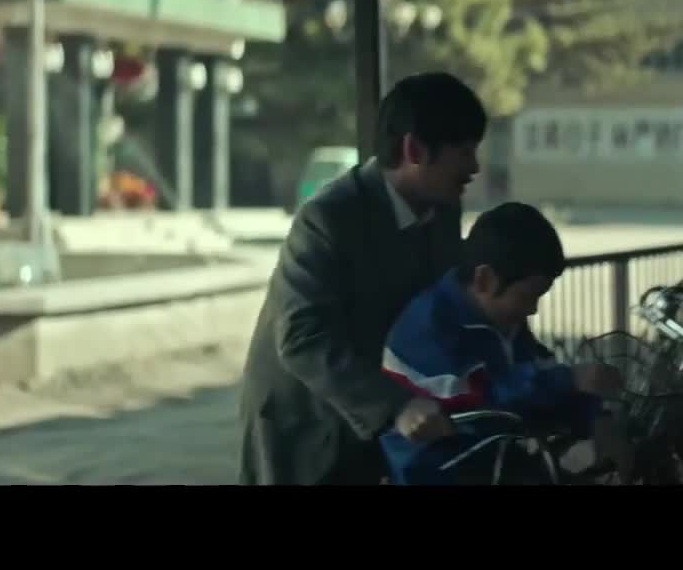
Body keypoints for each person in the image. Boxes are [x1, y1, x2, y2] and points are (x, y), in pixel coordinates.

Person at [237, 72, 487, 485]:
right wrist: (397, 405)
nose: (474, 167)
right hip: (307, 427)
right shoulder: (329, 218)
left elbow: (448, 303)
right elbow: (302, 337)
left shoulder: (443, 208)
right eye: (464, 151)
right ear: (414, 150)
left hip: (386, 423)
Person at [378, 202, 631, 485]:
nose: (532, 309)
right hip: (439, 471)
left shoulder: (503, 320)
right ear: (484, 279)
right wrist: (569, 379)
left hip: (496, 460)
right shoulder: (428, 324)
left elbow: (539, 373)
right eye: (527, 296)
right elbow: (480, 403)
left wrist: (595, 413)